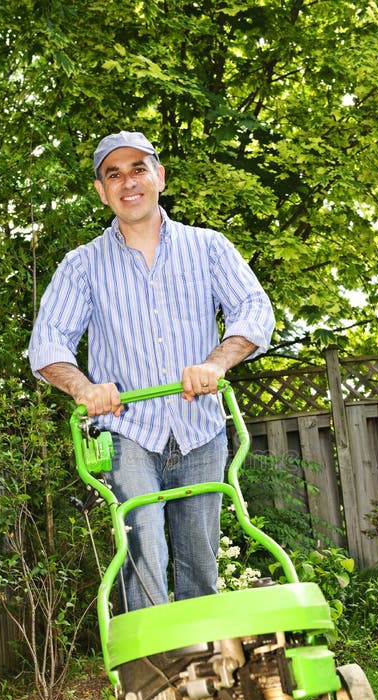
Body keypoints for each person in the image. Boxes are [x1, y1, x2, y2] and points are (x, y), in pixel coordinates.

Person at [29, 130, 274, 611]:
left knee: (200, 564)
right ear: (102, 191)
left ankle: (204, 655)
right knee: (143, 546)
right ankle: (154, 658)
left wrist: (215, 363)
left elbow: (254, 309)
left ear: (159, 177)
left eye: (138, 169)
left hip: (200, 427)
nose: (128, 182)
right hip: (127, 431)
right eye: (114, 175)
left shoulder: (207, 247)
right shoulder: (82, 266)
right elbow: (47, 343)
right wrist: (84, 388)